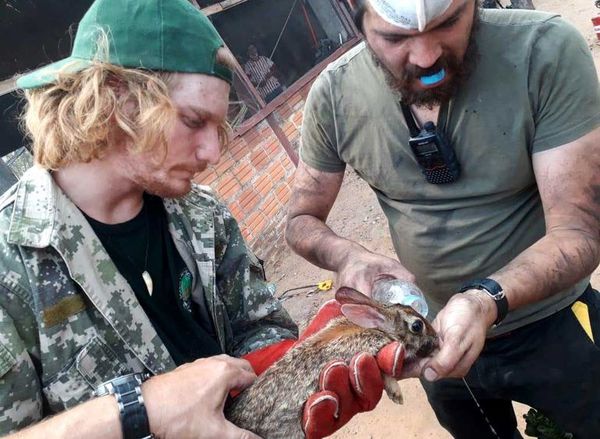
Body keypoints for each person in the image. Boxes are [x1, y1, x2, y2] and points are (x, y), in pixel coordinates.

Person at [0, 0, 405, 438]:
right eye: (194, 121)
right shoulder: (11, 264)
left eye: (218, 126)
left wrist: (303, 362)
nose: (213, 153)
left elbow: (256, 327)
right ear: (115, 98)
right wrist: (137, 411)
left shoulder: (203, 213)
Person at [285, 0, 600, 437]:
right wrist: (347, 255)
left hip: (553, 320)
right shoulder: (335, 97)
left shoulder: (543, 52)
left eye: (449, 22)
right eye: (395, 38)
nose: (426, 57)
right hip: (433, 342)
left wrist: (485, 298)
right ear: (356, 16)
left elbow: (579, 232)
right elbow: (301, 219)